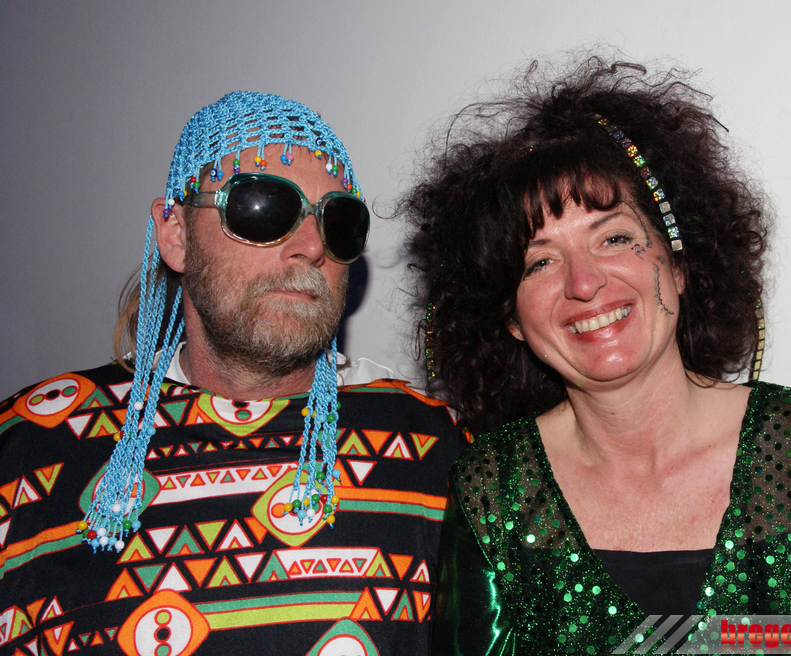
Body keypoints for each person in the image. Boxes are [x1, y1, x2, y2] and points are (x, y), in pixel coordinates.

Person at [400, 58, 791, 654]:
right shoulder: (493, 491)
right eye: (540, 261)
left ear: (679, 265)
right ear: (511, 320)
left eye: (614, 238)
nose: (584, 283)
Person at [0, 92, 465, 656]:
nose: (312, 246)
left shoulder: (438, 451)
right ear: (176, 234)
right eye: (262, 207)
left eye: (339, 222)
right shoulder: (31, 440)